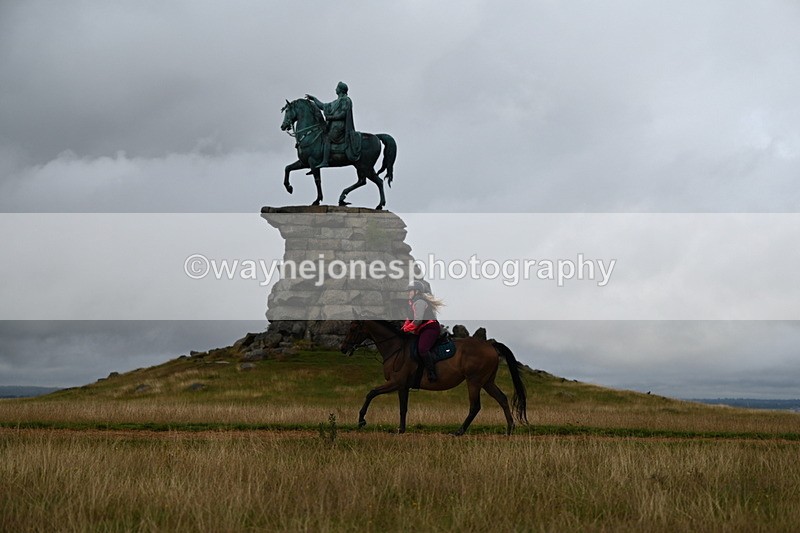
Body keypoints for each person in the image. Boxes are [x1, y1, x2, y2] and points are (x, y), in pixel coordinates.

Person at [305, 81, 361, 169]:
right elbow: (323, 106)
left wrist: (331, 118)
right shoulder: (336, 102)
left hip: (340, 126)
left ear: (341, 90)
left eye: (337, 88)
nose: (335, 89)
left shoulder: (346, 100)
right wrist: (314, 99)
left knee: (327, 138)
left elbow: (343, 114)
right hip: (333, 125)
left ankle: (325, 161)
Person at [402, 281, 444, 382]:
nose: (408, 293)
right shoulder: (412, 303)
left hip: (430, 328)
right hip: (422, 329)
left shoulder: (420, 302)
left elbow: (418, 320)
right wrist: (403, 328)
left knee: (422, 349)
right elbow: (409, 319)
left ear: (416, 291)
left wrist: (407, 329)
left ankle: (432, 373)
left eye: (410, 291)